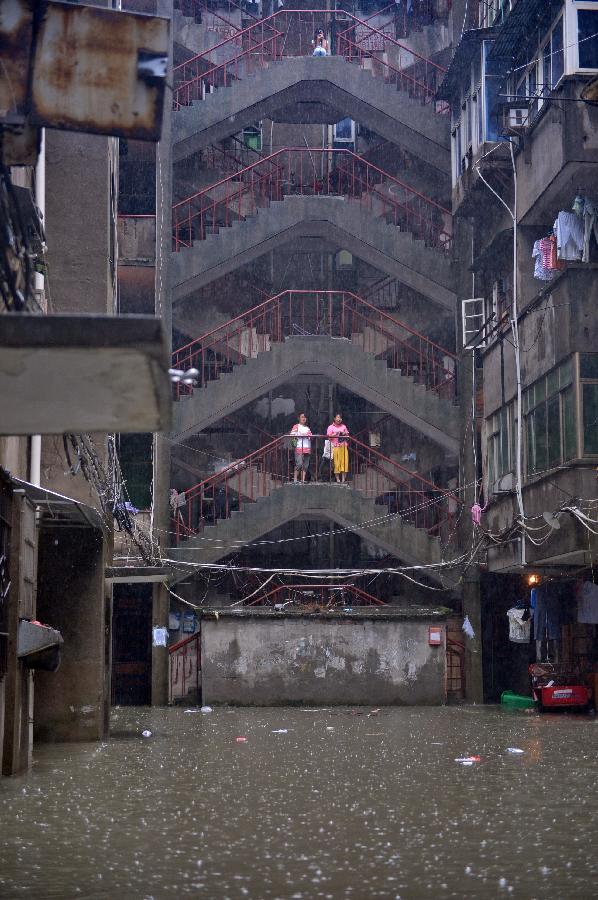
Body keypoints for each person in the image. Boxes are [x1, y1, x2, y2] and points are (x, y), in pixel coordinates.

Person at [327, 413, 350, 484]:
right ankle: (337, 479)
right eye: (337, 417)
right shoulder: (331, 427)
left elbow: (348, 436)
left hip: (343, 446)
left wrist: (344, 434)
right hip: (335, 446)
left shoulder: (344, 426)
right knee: (336, 463)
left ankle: (343, 479)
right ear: (334, 418)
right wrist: (335, 434)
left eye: (340, 418)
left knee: (344, 462)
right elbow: (329, 437)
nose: (339, 419)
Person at [290, 413, 312, 483]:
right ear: (299, 418)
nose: (304, 418)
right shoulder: (296, 426)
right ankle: (295, 479)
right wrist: (301, 435)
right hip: (299, 447)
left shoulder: (307, 428)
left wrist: (308, 436)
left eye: (305, 417)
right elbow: (292, 435)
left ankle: (302, 480)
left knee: (305, 465)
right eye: (302, 417)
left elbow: (310, 436)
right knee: (299, 464)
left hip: (307, 447)